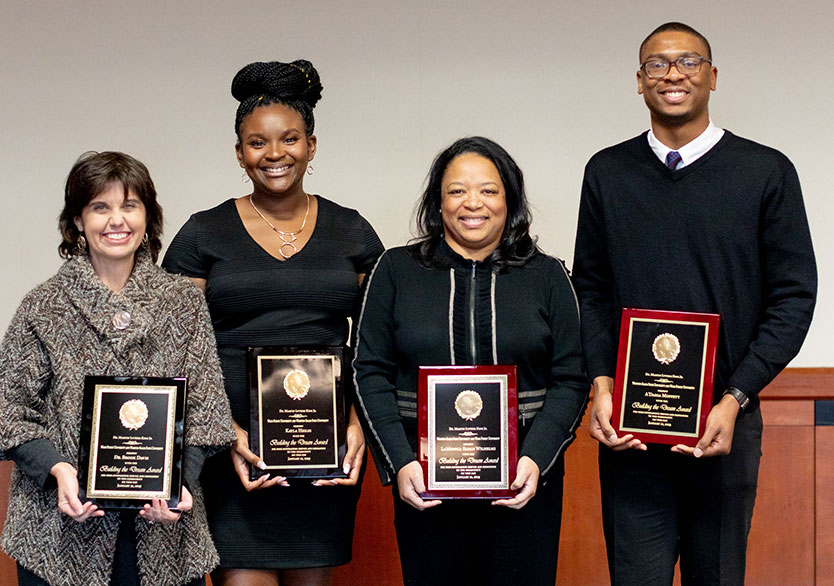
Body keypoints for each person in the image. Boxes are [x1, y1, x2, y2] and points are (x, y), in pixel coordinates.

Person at [572, 22, 817, 586]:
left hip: (724, 425)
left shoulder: (765, 172)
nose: (673, 73)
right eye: (657, 64)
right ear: (639, 81)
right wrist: (603, 383)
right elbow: (591, 288)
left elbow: (793, 298)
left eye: (688, 61)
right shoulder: (607, 173)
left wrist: (735, 396)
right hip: (632, 433)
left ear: (712, 75)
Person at [162, 60, 384, 586]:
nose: (275, 154)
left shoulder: (351, 230)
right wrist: (226, 432)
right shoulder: (203, 234)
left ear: (312, 145)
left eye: (289, 139)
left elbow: (379, 344)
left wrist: (357, 425)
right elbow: (176, 348)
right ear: (239, 153)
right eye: (257, 143)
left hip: (326, 443)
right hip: (233, 449)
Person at [0, 151, 236, 586]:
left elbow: (206, 408)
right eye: (101, 207)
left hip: (162, 531)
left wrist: (177, 483)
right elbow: (7, 406)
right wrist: (58, 470)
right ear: (78, 220)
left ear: (147, 217)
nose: (117, 221)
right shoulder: (44, 306)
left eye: (129, 206)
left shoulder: (183, 302)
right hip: (59, 530)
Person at [353, 136, 588, 586]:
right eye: (457, 190)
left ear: (510, 200)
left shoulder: (549, 275)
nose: (472, 203)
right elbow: (368, 371)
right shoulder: (395, 271)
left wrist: (536, 460)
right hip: (425, 488)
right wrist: (400, 462)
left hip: (523, 486)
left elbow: (571, 380)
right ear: (437, 203)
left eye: (488, 190)